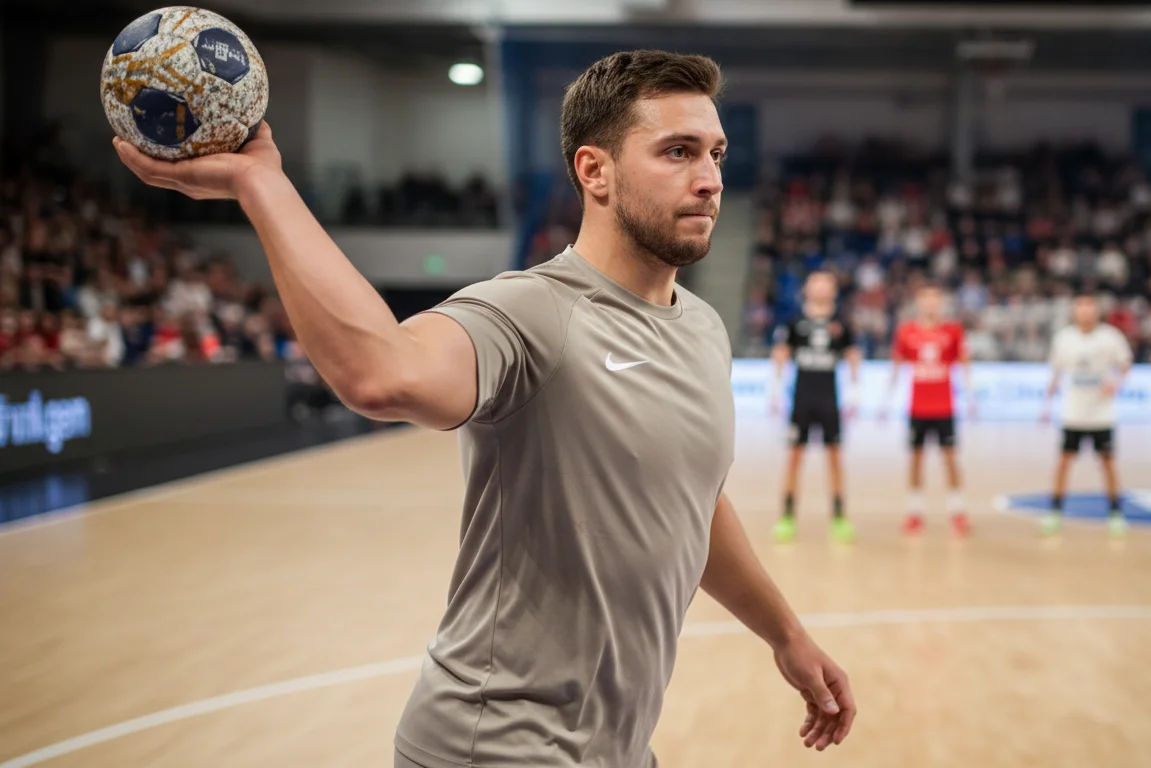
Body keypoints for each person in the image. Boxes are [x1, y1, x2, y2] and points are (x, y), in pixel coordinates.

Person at [112, 49, 856, 768]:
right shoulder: (533, 310)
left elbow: (690, 497)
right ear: (593, 171)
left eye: (717, 155)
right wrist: (261, 185)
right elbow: (380, 374)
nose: (709, 179)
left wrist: (784, 633)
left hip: (618, 750)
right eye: (678, 152)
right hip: (496, 743)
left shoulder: (701, 328)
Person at [769, 270, 861, 544]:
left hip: (829, 401)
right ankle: (787, 516)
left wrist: (855, 393)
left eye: (826, 284)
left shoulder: (842, 324)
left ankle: (839, 516)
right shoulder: (795, 323)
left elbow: (852, 356)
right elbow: (782, 354)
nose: (821, 288)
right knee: (794, 458)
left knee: (834, 458)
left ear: (833, 290)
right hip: (802, 401)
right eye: (816, 283)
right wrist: (774, 390)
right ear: (807, 289)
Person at [1041, 292, 1134, 538]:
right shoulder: (1064, 338)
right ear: (1074, 311)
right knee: (1063, 463)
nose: (1085, 311)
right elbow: (1056, 371)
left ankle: (1115, 513)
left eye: (1089, 307)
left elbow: (1125, 364)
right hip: (1073, 414)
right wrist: (1047, 404)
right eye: (1080, 307)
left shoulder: (1110, 337)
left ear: (1096, 311)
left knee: (1107, 463)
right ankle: (1055, 512)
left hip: (1101, 415)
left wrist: (1116, 383)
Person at [886, 283, 972, 536]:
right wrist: (886, 398)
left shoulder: (952, 330)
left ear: (941, 303)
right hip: (917, 408)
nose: (931, 304)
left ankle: (957, 511)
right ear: (919, 304)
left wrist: (971, 392)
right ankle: (915, 512)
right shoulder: (907, 331)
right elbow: (898, 362)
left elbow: (963, 361)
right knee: (915, 459)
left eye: (935, 300)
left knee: (950, 458)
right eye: (926, 300)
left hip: (944, 407)